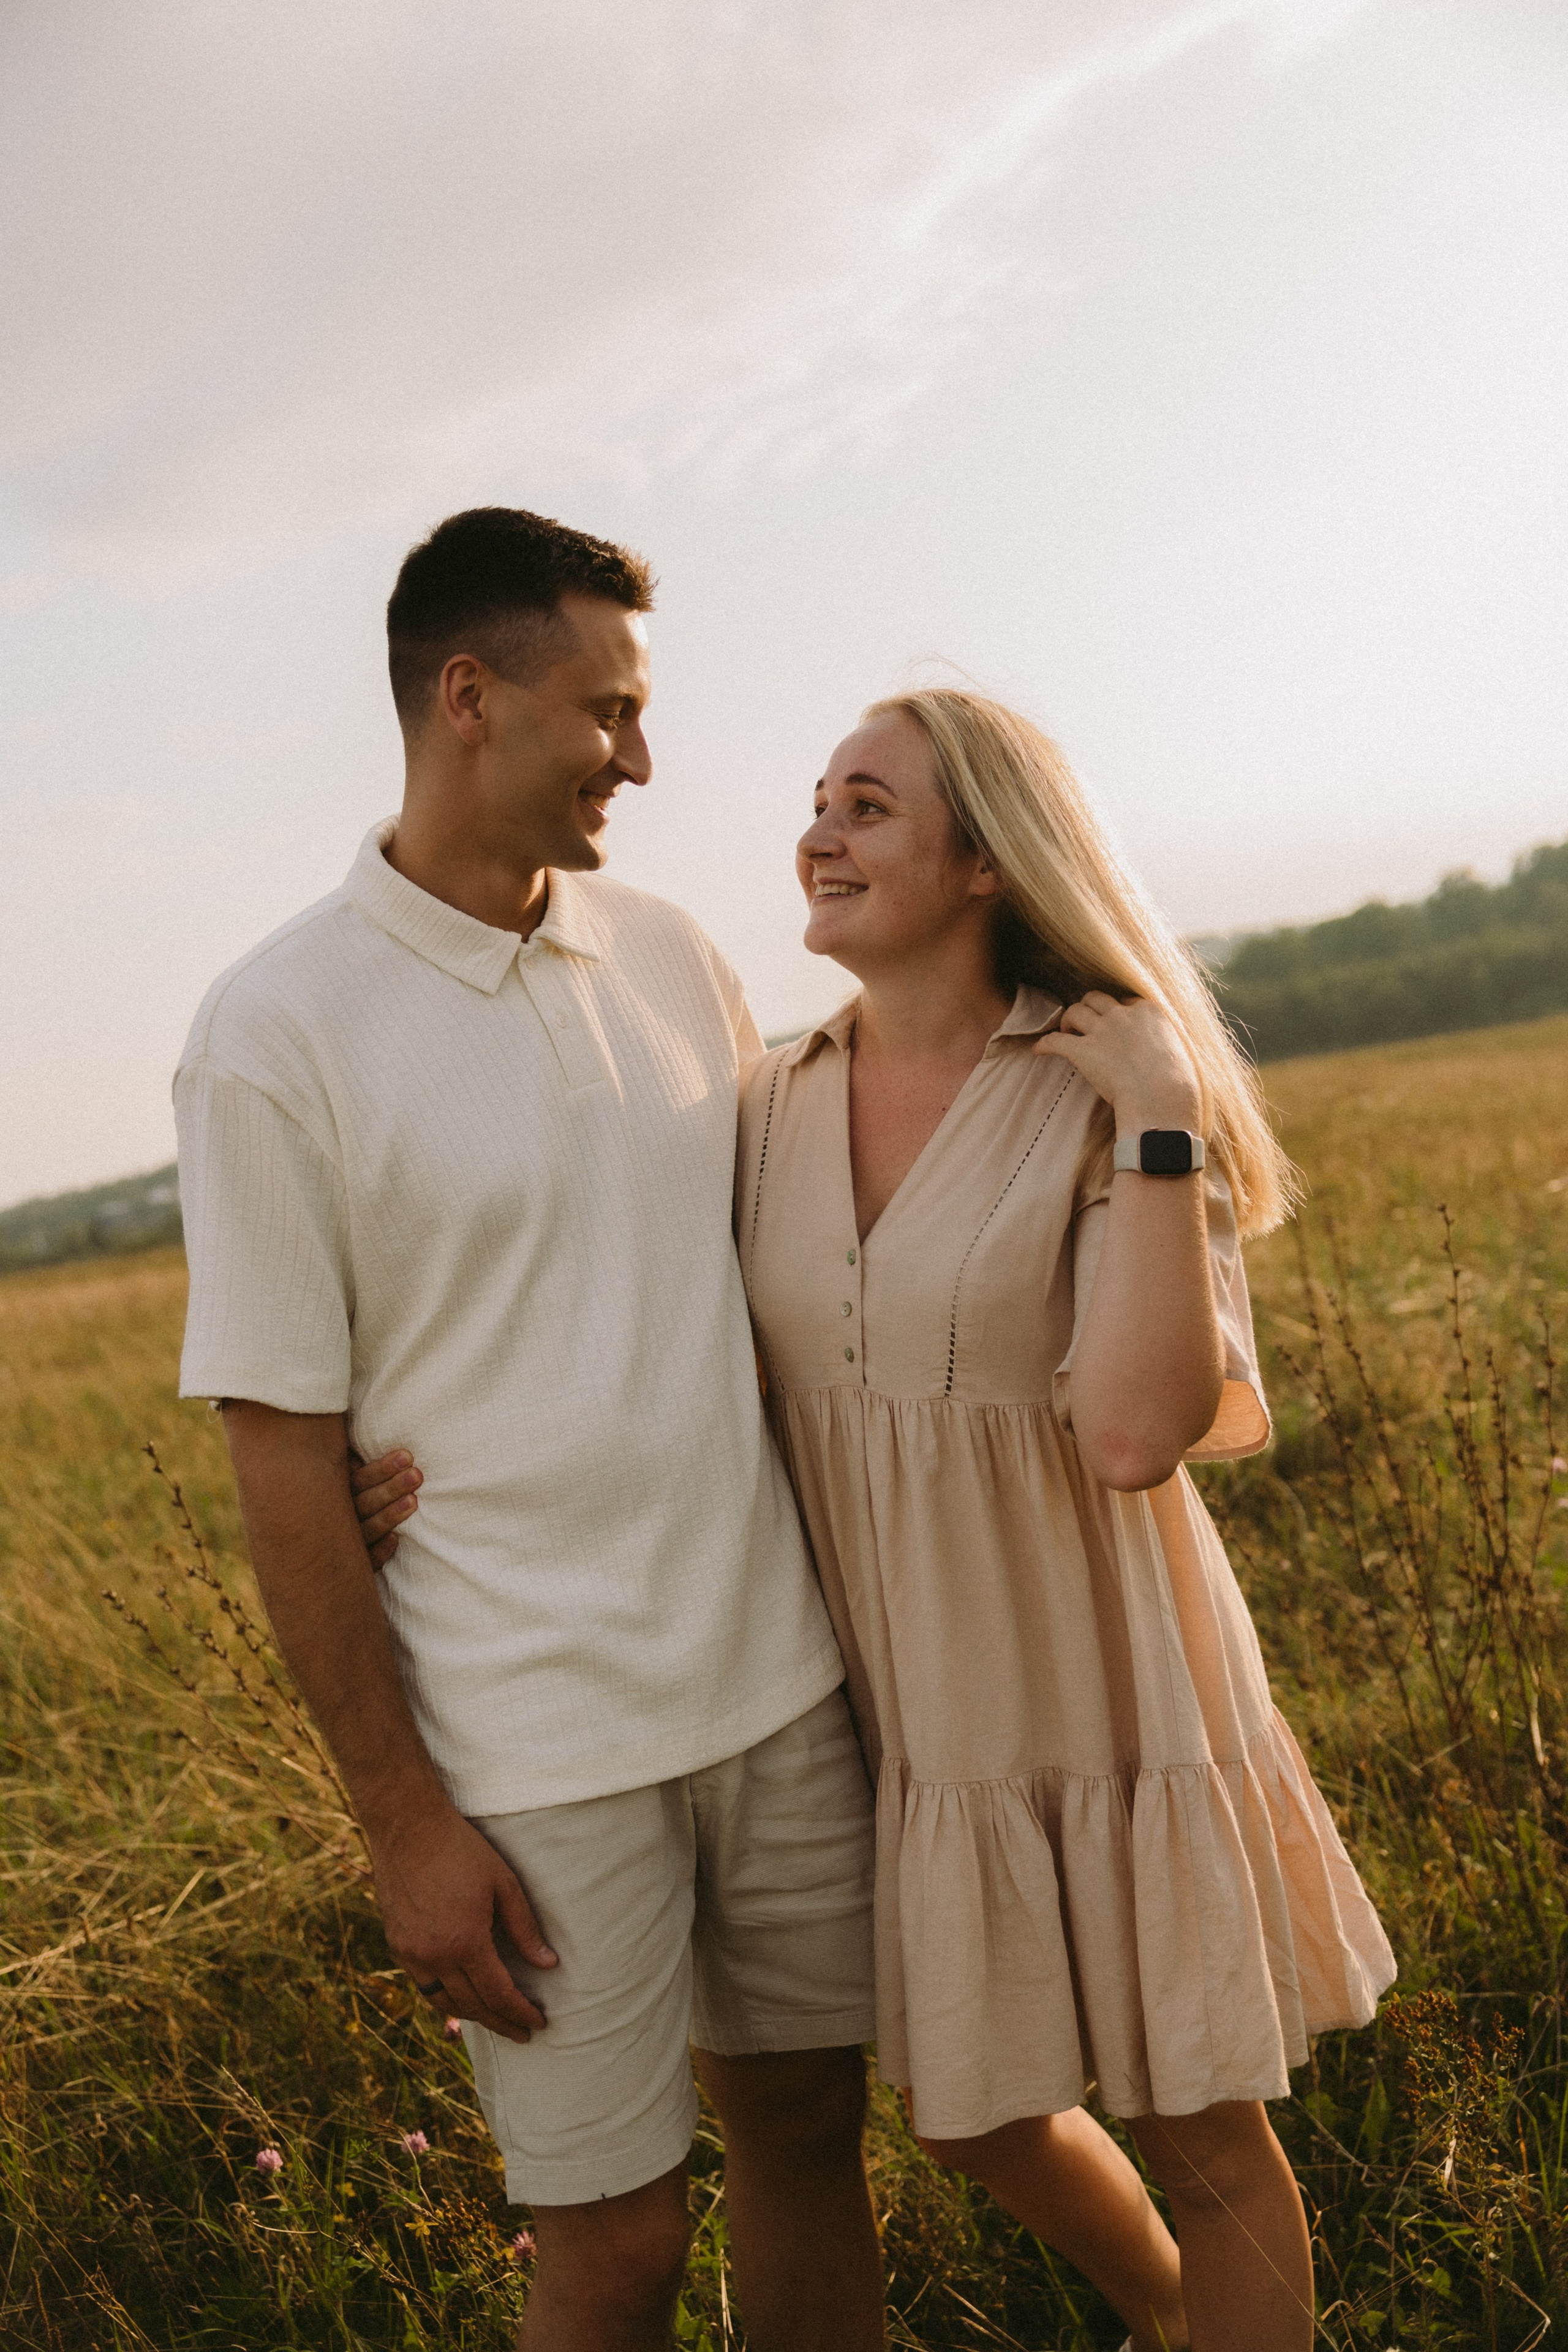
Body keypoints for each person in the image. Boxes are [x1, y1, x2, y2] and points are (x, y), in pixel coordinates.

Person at [173, 507, 884, 2352]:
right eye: (611, 714)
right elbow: (279, 1458)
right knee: (617, 2242)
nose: (642, 761)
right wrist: (404, 1825)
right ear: (470, 697)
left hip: (781, 1687)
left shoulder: (671, 953)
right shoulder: (271, 1033)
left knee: (813, 2132)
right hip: (536, 1750)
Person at [732, 688, 1396, 2351]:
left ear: (980, 862)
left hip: (1096, 1683)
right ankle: (1184, 2321)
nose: (820, 831)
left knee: (1202, 2129)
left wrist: (1168, 1114)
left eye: (869, 805)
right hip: (900, 1710)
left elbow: (1127, 1431)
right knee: (968, 2109)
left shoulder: (1101, 1093)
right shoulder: (764, 1102)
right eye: (817, 799)